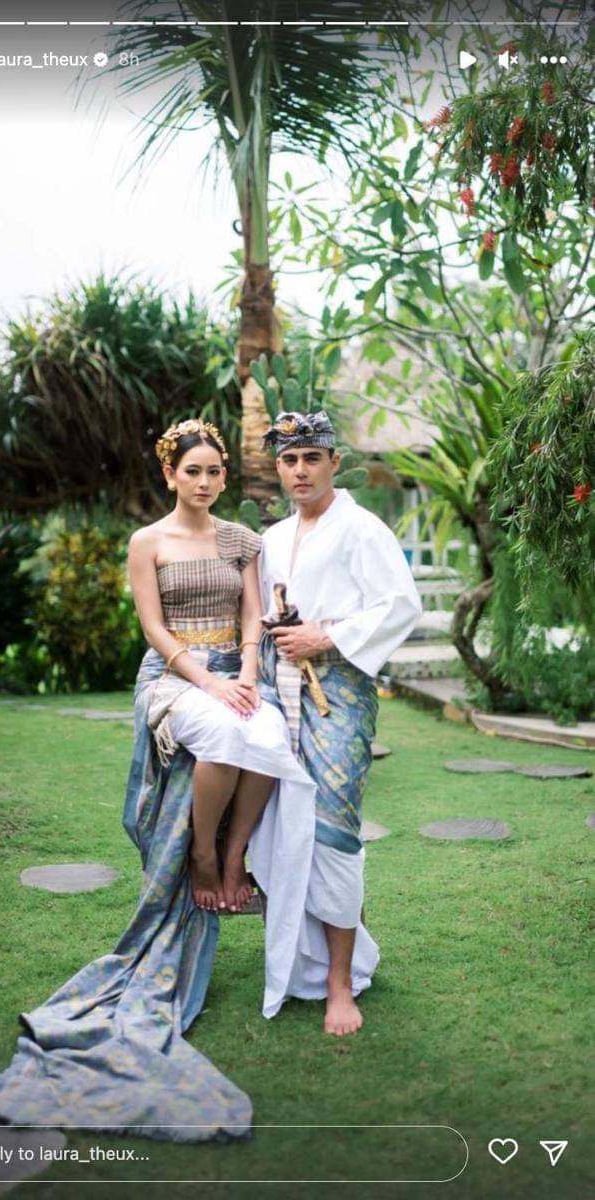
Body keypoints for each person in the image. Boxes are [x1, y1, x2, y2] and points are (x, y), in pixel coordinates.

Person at [0, 418, 316, 1141]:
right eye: (193, 471)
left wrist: (247, 675)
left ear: (224, 476)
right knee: (223, 733)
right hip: (172, 678)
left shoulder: (241, 541)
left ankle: (233, 857)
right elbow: (154, 629)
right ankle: (202, 857)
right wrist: (208, 682)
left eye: (214, 472)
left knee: (269, 736)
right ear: (170, 475)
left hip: (234, 672)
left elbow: (253, 617)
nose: (205, 482)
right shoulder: (148, 542)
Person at [253, 410, 422, 1037]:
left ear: (333, 463)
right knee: (283, 822)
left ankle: (339, 983)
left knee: (335, 830)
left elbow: (401, 604)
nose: (300, 470)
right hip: (280, 690)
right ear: (279, 468)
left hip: (340, 695)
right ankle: (302, 959)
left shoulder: (362, 529)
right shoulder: (273, 538)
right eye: (289, 460)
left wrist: (324, 636)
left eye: (311, 458)